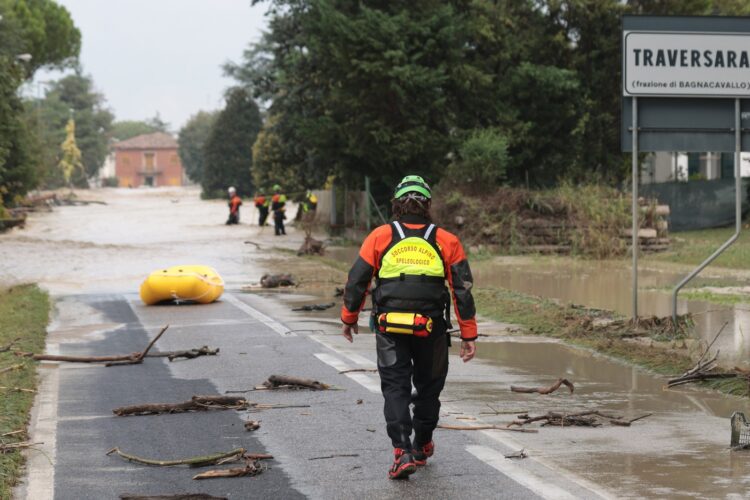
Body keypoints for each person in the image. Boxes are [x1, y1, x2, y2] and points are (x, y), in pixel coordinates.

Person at [340, 175, 478, 480]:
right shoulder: (447, 240)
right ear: (427, 205)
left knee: (395, 387)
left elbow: (357, 281)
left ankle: (401, 453)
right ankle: (421, 444)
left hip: (390, 328)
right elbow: (462, 290)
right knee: (430, 387)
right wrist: (469, 334)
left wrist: (349, 318)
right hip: (431, 329)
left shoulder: (379, 236)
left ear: (396, 206)